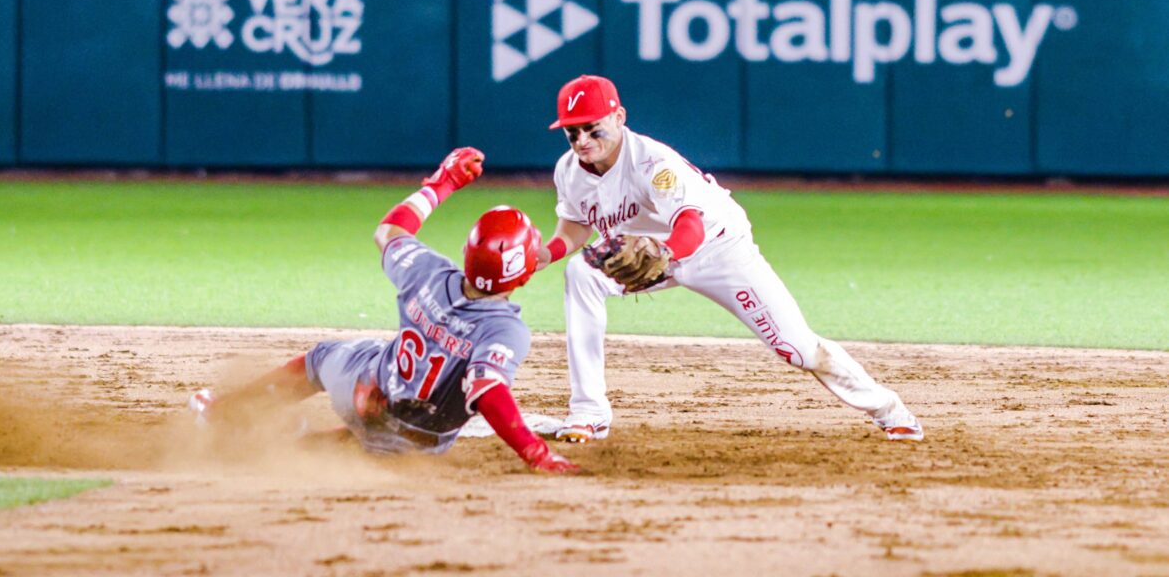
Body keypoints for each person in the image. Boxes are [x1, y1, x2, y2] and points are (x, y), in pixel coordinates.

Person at [536, 75, 922, 445]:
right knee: (581, 272)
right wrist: (544, 255)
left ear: (619, 118)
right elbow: (574, 226)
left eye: (593, 128)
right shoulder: (568, 170)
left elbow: (691, 224)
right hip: (647, 252)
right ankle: (589, 412)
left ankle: (888, 408)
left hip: (717, 246)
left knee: (798, 349)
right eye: (573, 132)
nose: (582, 140)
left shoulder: (652, 163)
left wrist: (665, 254)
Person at [188, 147, 578, 474]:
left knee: (321, 359)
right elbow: (488, 391)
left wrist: (444, 183)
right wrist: (536, 453)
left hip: (368, 391)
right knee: (380, 433)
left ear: (467, 253)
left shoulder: (428, 273)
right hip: (419, 445)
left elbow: (389, 231)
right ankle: (295, 447)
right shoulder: (506, 331)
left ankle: (229, 416)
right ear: (524, 275)